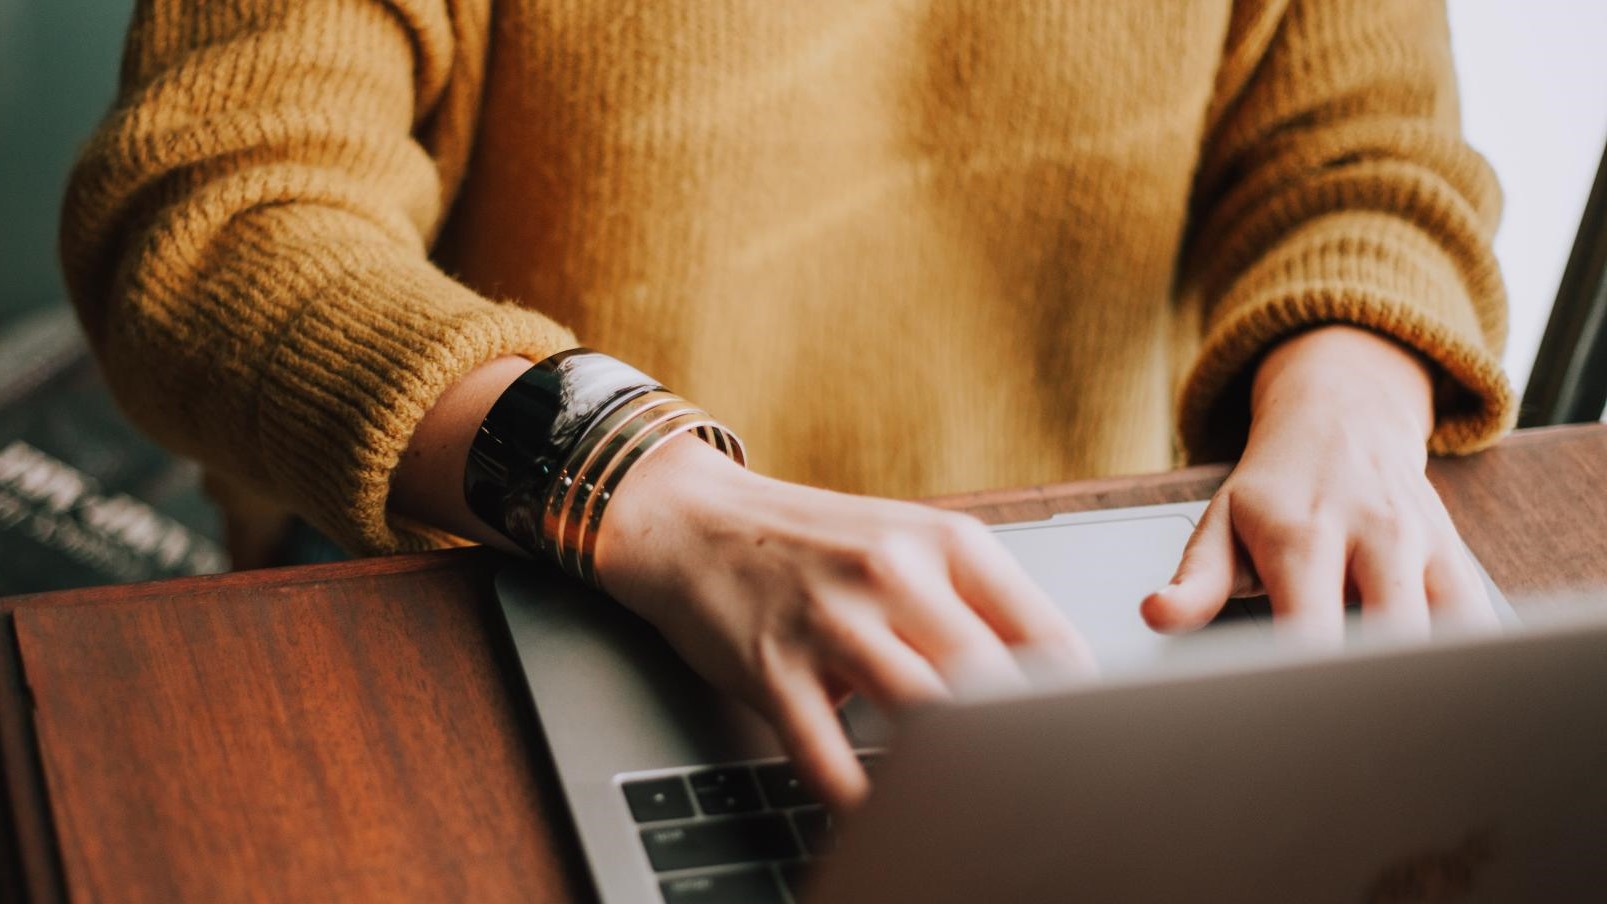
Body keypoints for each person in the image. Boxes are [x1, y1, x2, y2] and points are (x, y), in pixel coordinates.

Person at [61, 0, 1514, 811]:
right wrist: (645, 485)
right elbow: (218, 215)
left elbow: (1364, 149)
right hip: (504, 572)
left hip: (1057, 623)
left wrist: (1351, 398)